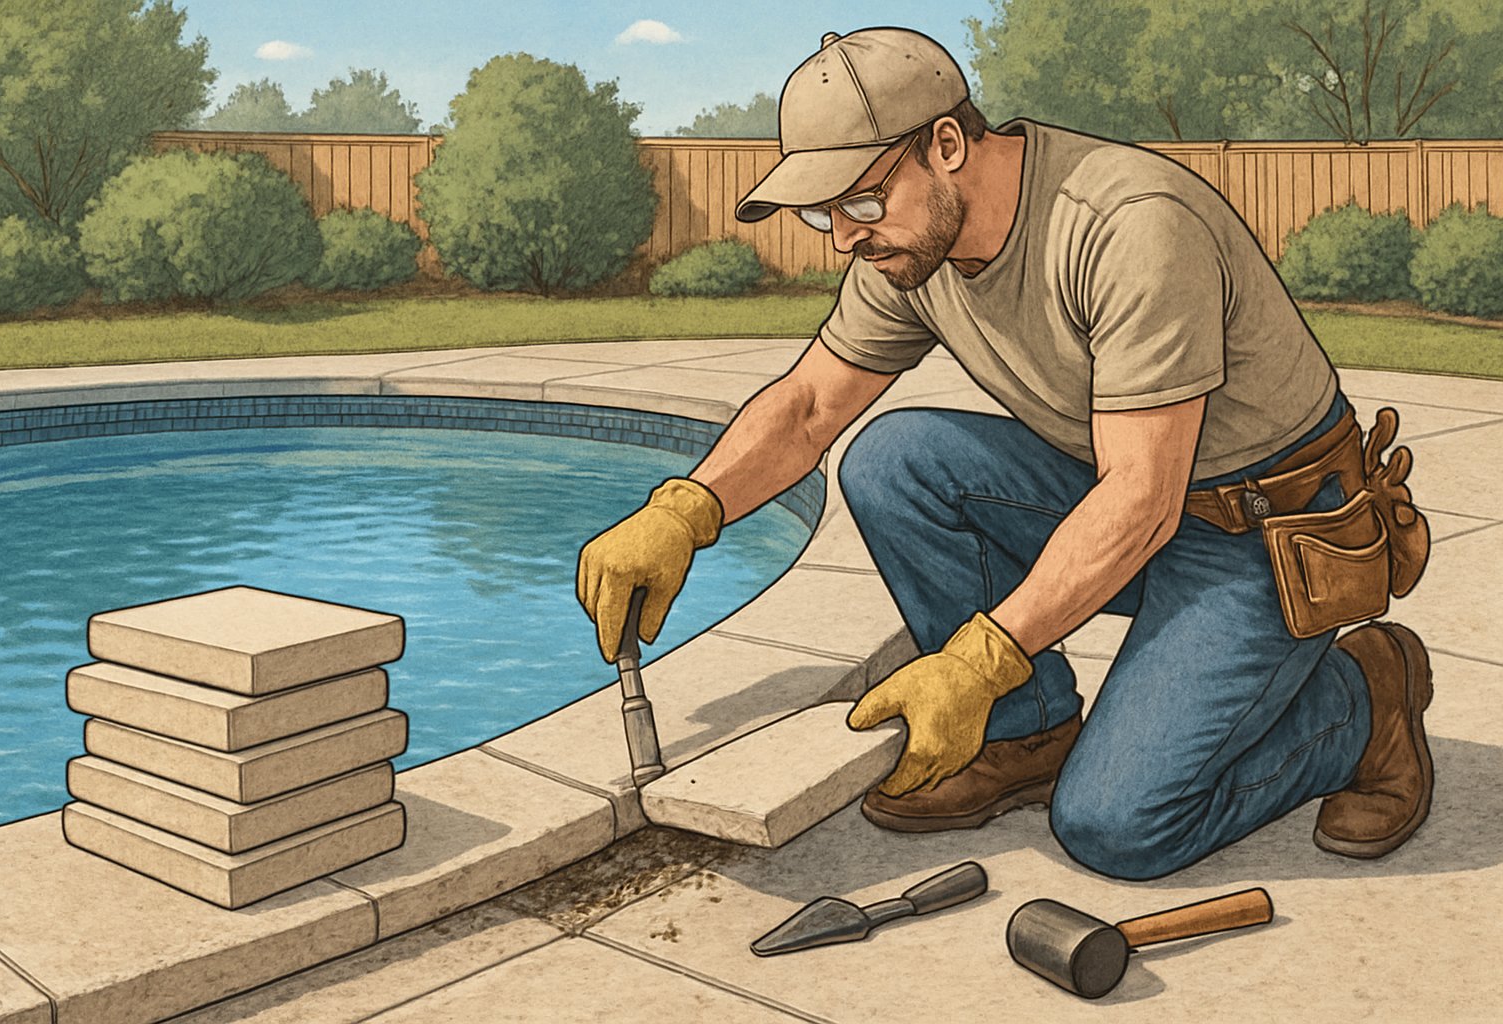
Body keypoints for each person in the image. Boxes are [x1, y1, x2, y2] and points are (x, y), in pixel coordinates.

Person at [575, 27, 1433, 880]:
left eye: (859, 202)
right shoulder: (911, 246)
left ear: (946, 144)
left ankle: (1366, 696)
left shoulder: (1131, 227)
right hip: (1138, 497)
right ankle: (1028, 731)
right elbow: (806, 408)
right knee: (896, 460)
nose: (843, 236)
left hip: (1265, 533)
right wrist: (687, 509)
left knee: (1119, 825)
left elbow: (1141, 502)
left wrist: (979, 657)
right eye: (820, 211)